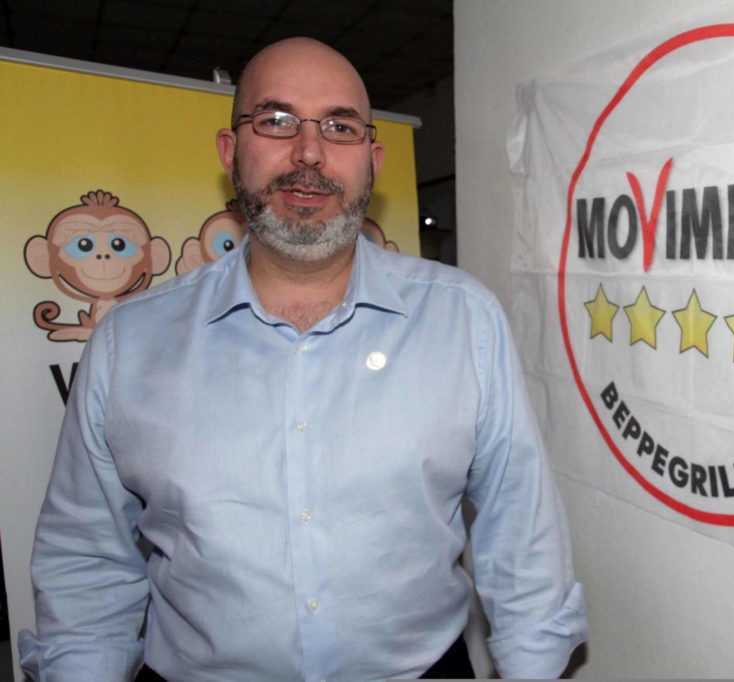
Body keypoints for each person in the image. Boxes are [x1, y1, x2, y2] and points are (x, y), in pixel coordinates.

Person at [19, 37, 586, 681]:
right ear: (231, 151)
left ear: (372, 160)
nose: (309, 153)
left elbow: (520, 527)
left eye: (340, 127)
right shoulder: (130, 341)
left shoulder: (464, 319)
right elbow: (86, 560)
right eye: (277, 120)